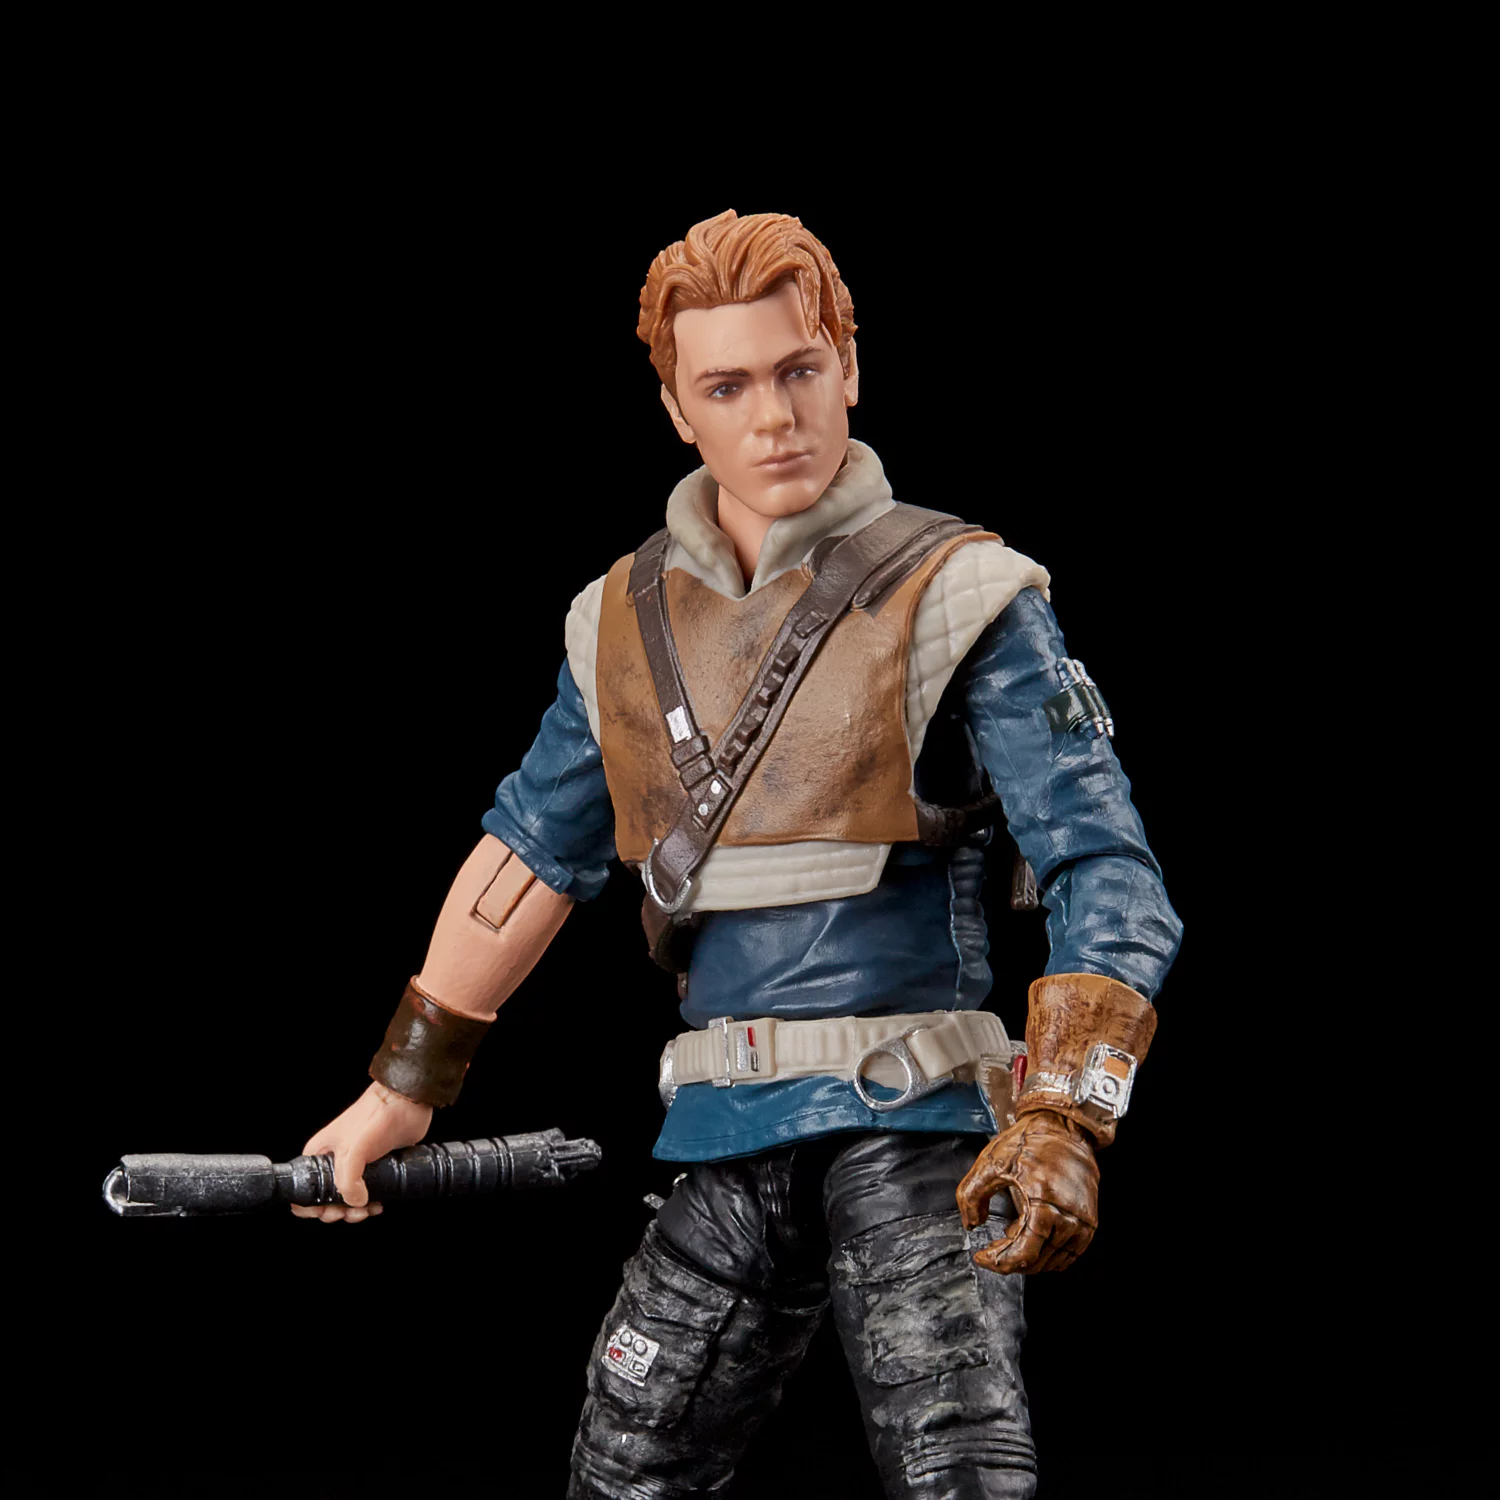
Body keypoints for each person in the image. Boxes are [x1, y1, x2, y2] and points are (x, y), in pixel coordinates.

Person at [294, 210, 1182, 1499]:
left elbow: (1109, 873)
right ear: (676, 408)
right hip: (721, 1130)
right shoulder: (622, 623)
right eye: (727, 386)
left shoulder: (962, 595)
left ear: (849, 368)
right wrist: (403, 1086)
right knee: (626, 1473)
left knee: (960, 1474)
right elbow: (531, 854)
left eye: (799, 369)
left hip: (917, 1125)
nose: (774, 418)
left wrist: (1065, 1115)